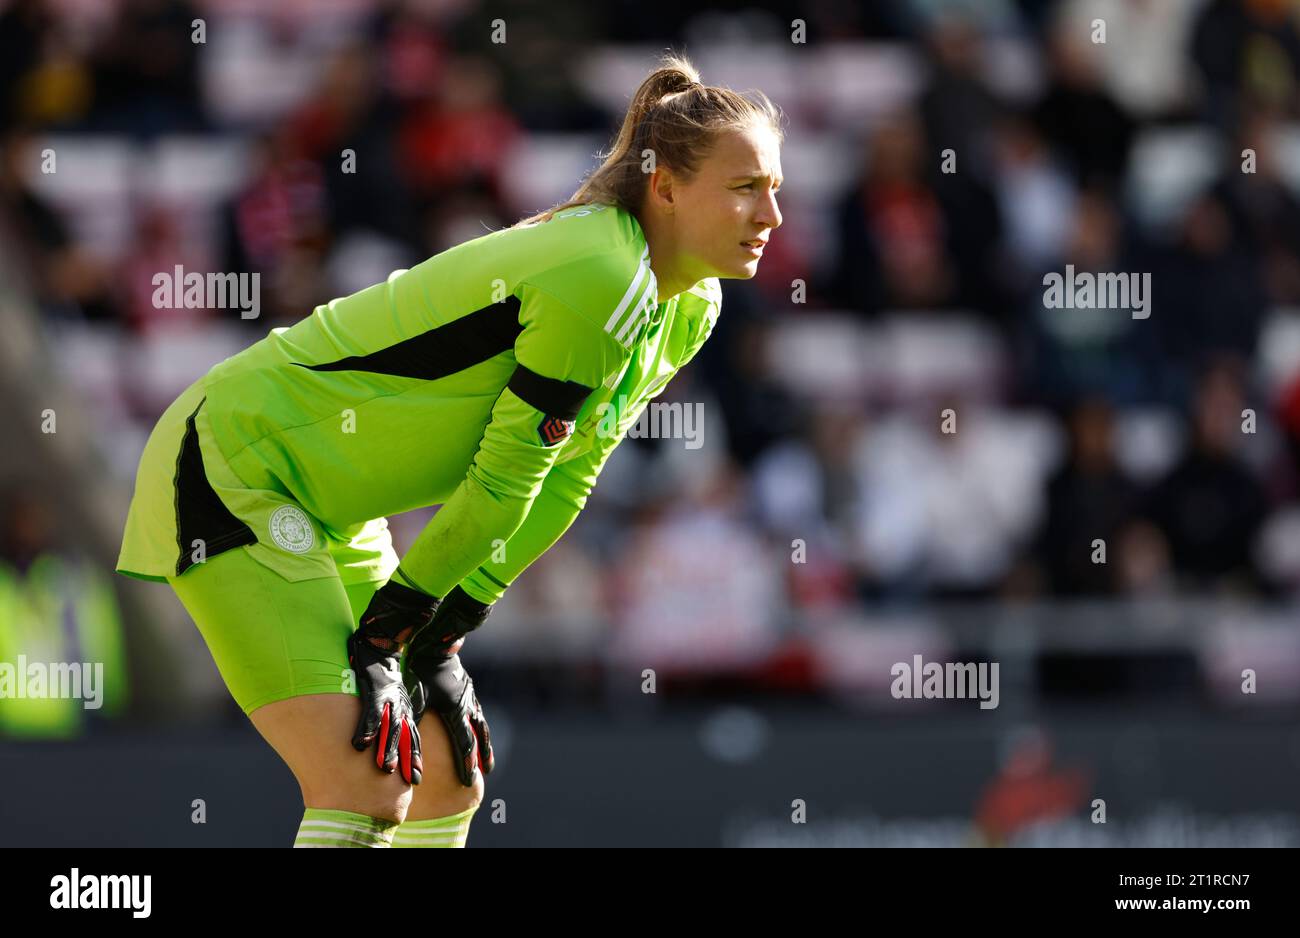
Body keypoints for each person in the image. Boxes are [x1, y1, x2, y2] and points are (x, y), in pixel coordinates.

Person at [114, 52, 784, 847]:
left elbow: (570, 479)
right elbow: (507, 482)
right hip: (235, 465)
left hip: (332, 503)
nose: (771, 215)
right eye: (746, 188)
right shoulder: (600, 272)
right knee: (364, 782)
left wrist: (445, 626)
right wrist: (397, 627)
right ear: (666, 187)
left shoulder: (687, 301)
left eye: (775, 188)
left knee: (444, 776)